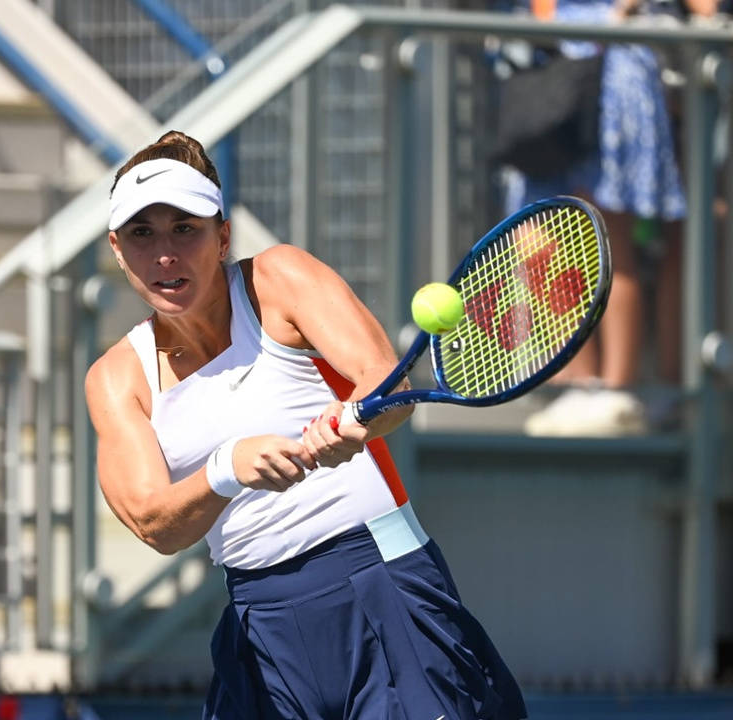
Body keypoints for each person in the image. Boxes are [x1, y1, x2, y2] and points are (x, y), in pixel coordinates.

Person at [85, 131, 527, 720]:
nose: (164, 253)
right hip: (259, 624)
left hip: (384, 580)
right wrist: (226, 468)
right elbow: (153, 522)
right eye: (142, 233)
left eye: (184, 228)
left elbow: (386, 385)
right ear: (117, 248)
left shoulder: (279, 278)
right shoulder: (116, 377)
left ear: (222, 237)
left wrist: (356, 426)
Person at [509, 0, 692, 436]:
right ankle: (573, 383)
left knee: (608, 239)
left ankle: (616, 389)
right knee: (541, 241)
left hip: (612, 73)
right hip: (552, 78)